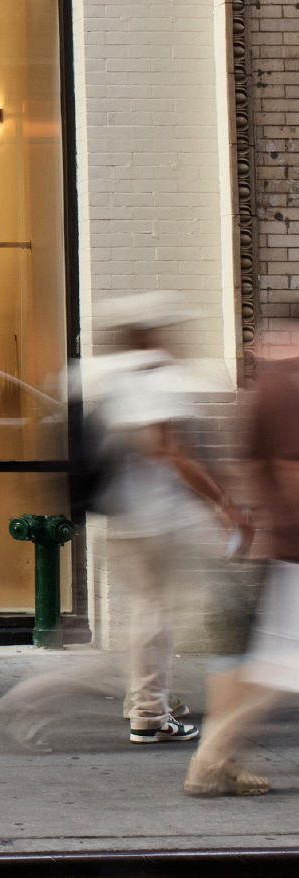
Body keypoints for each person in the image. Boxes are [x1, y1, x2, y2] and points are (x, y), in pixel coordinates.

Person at [0, 293, 248, 749]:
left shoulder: (106, 375)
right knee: (155, 618)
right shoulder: (156, 381)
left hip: (126, 517)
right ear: (149, 334)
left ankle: (145, 698)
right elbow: (168, 450)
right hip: (157, 520)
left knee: (153, 615)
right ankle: (137, 710)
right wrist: (223, 503)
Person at [182, 330, 299, 797]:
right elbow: (289, 467)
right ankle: (210, 761)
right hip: (292, 544)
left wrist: (254, 521)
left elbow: (254, 462)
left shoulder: (271, 384)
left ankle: (216, 758)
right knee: (279, 668)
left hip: (279, 541)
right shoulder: (288, 387)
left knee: (256, 661)